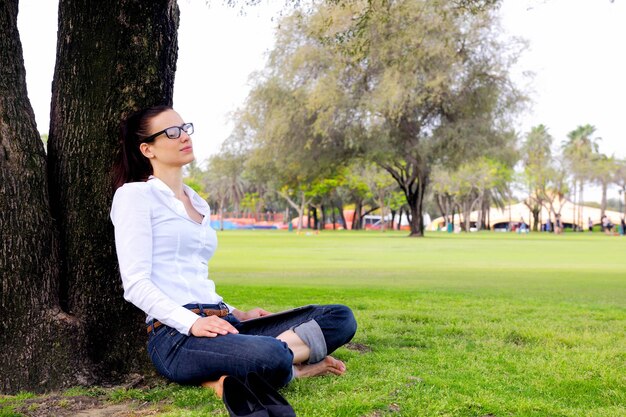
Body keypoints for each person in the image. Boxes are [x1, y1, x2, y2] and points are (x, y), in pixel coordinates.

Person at [110, 106, 357, 398]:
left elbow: (194, 274)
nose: (183, 136)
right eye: (172, 132)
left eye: (185, 128)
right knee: (271, 355)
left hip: (225, 323)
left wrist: (236, 312)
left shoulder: (198, 202)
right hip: (176, 336)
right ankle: (293, 366)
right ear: (147, 149)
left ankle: (270, 360)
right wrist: (194, 323)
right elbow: (136, 285)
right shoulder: (135, 196)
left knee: (340, 318)